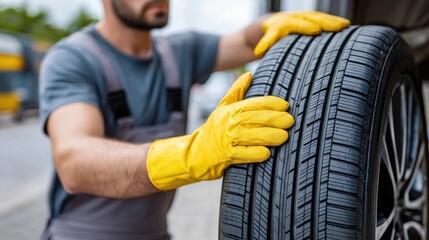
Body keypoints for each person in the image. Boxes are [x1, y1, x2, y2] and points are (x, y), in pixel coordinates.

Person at [39, 0, 350, 239]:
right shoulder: (72, 60)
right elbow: (75, 160)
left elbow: (245, 42)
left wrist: (274, 21)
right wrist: (193, 153)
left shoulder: (179, 52)